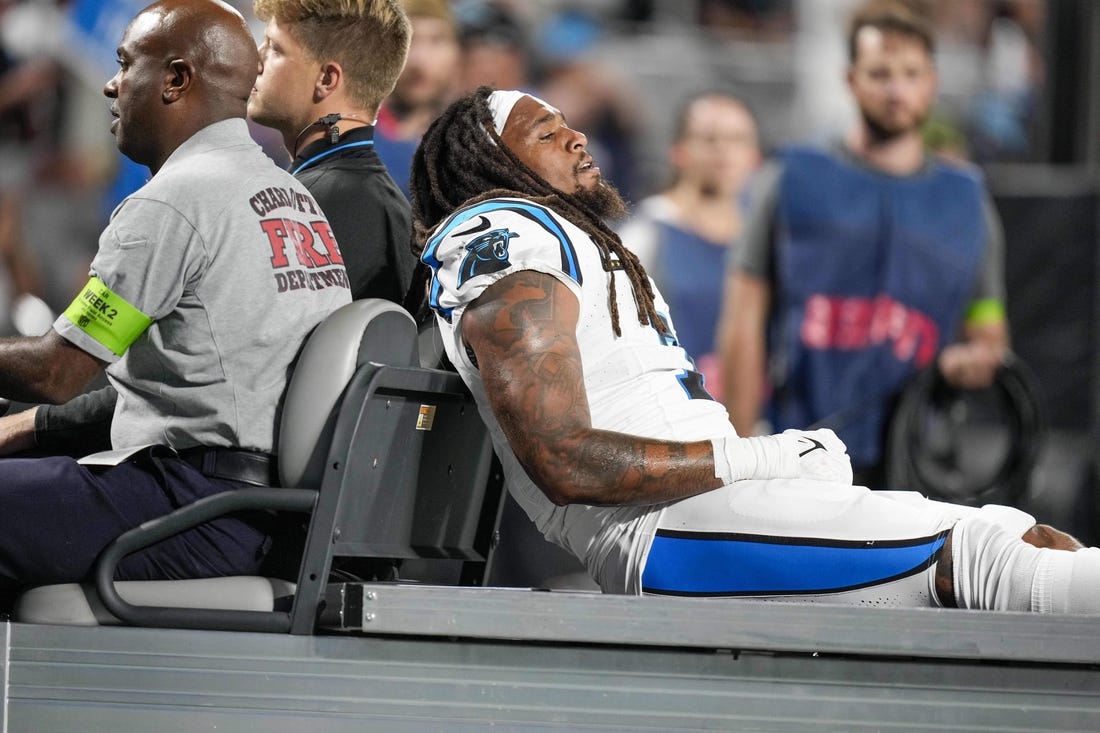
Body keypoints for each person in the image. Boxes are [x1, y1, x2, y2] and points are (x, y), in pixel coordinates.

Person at [407, 84, 1100, 613]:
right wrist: (756, 455)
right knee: (980, 558)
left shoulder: (568, 235)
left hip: (705, 506)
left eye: (569, 122)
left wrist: (755, 465)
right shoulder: (501, 232)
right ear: (493, 162)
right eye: (547, 132)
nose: (577, 135)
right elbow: (562, 457)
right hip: (661, 532)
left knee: (1022, 534)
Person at [0, 0, 351, 595]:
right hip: (265, 509)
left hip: (193, 507)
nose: (111, 86)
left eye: (124, 64)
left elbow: (57, 372)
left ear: (176, 80)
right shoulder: (287, 194)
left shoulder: (174, 203)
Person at [0, 0, 415, 458]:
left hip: (223, 490)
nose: (254, 63)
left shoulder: (311, 207)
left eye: (274, 50)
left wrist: (33, 425)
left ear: (326, 79)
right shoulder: (334, 193)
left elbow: (245, 392)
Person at [717, 0, 1009, 486]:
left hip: (919, 458)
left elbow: (988, 323)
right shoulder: (789, 178)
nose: (897, 90)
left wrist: (979, 355)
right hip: (801, 451)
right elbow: (742, 326)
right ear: (851, 79)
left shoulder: (967, 200)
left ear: (932, 81)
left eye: (911, 74)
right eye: (880, 73)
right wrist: (738, 463)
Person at [616, 91, 761, 402]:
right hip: (674, 418)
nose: (723, 150)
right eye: (709, 139)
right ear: (678, 152)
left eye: (737, 139)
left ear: (754, 156)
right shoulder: (645, 236)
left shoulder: (767, 237)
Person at [374, 0, 460, 199]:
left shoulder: (472, 143)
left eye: (436, 40)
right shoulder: (347, 141)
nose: (419, 60)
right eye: (407, 39)